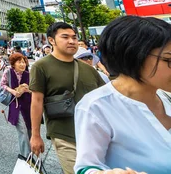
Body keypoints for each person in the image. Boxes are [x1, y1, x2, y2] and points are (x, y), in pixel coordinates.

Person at [74, 16, 171, 174]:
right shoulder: (97, 106)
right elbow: (87, 167)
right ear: (135, 56)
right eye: (169, 60)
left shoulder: (165, 96)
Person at [29, 22, 106, 174]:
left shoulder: (88, 69)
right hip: (64, 134)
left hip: (95, 135)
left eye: (74, 37)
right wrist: (35, 135)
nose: (71, 41)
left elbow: (105, 97)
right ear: (51, 40)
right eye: (65, 37)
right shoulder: (41, 66)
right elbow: (36, 101)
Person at [1, 52, 32, 158]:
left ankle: (30, 153)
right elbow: (3, 84)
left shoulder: (28, 74)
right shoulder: (8, 72)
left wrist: (27, 90)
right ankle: (26, 156)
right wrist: (13, 91)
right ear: (13, 64)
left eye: (23, 62)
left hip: (28, 105)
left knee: (29, 129)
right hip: (15, 105)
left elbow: (34, 90)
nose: (22, 64)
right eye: (19, 62)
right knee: (22, 129)